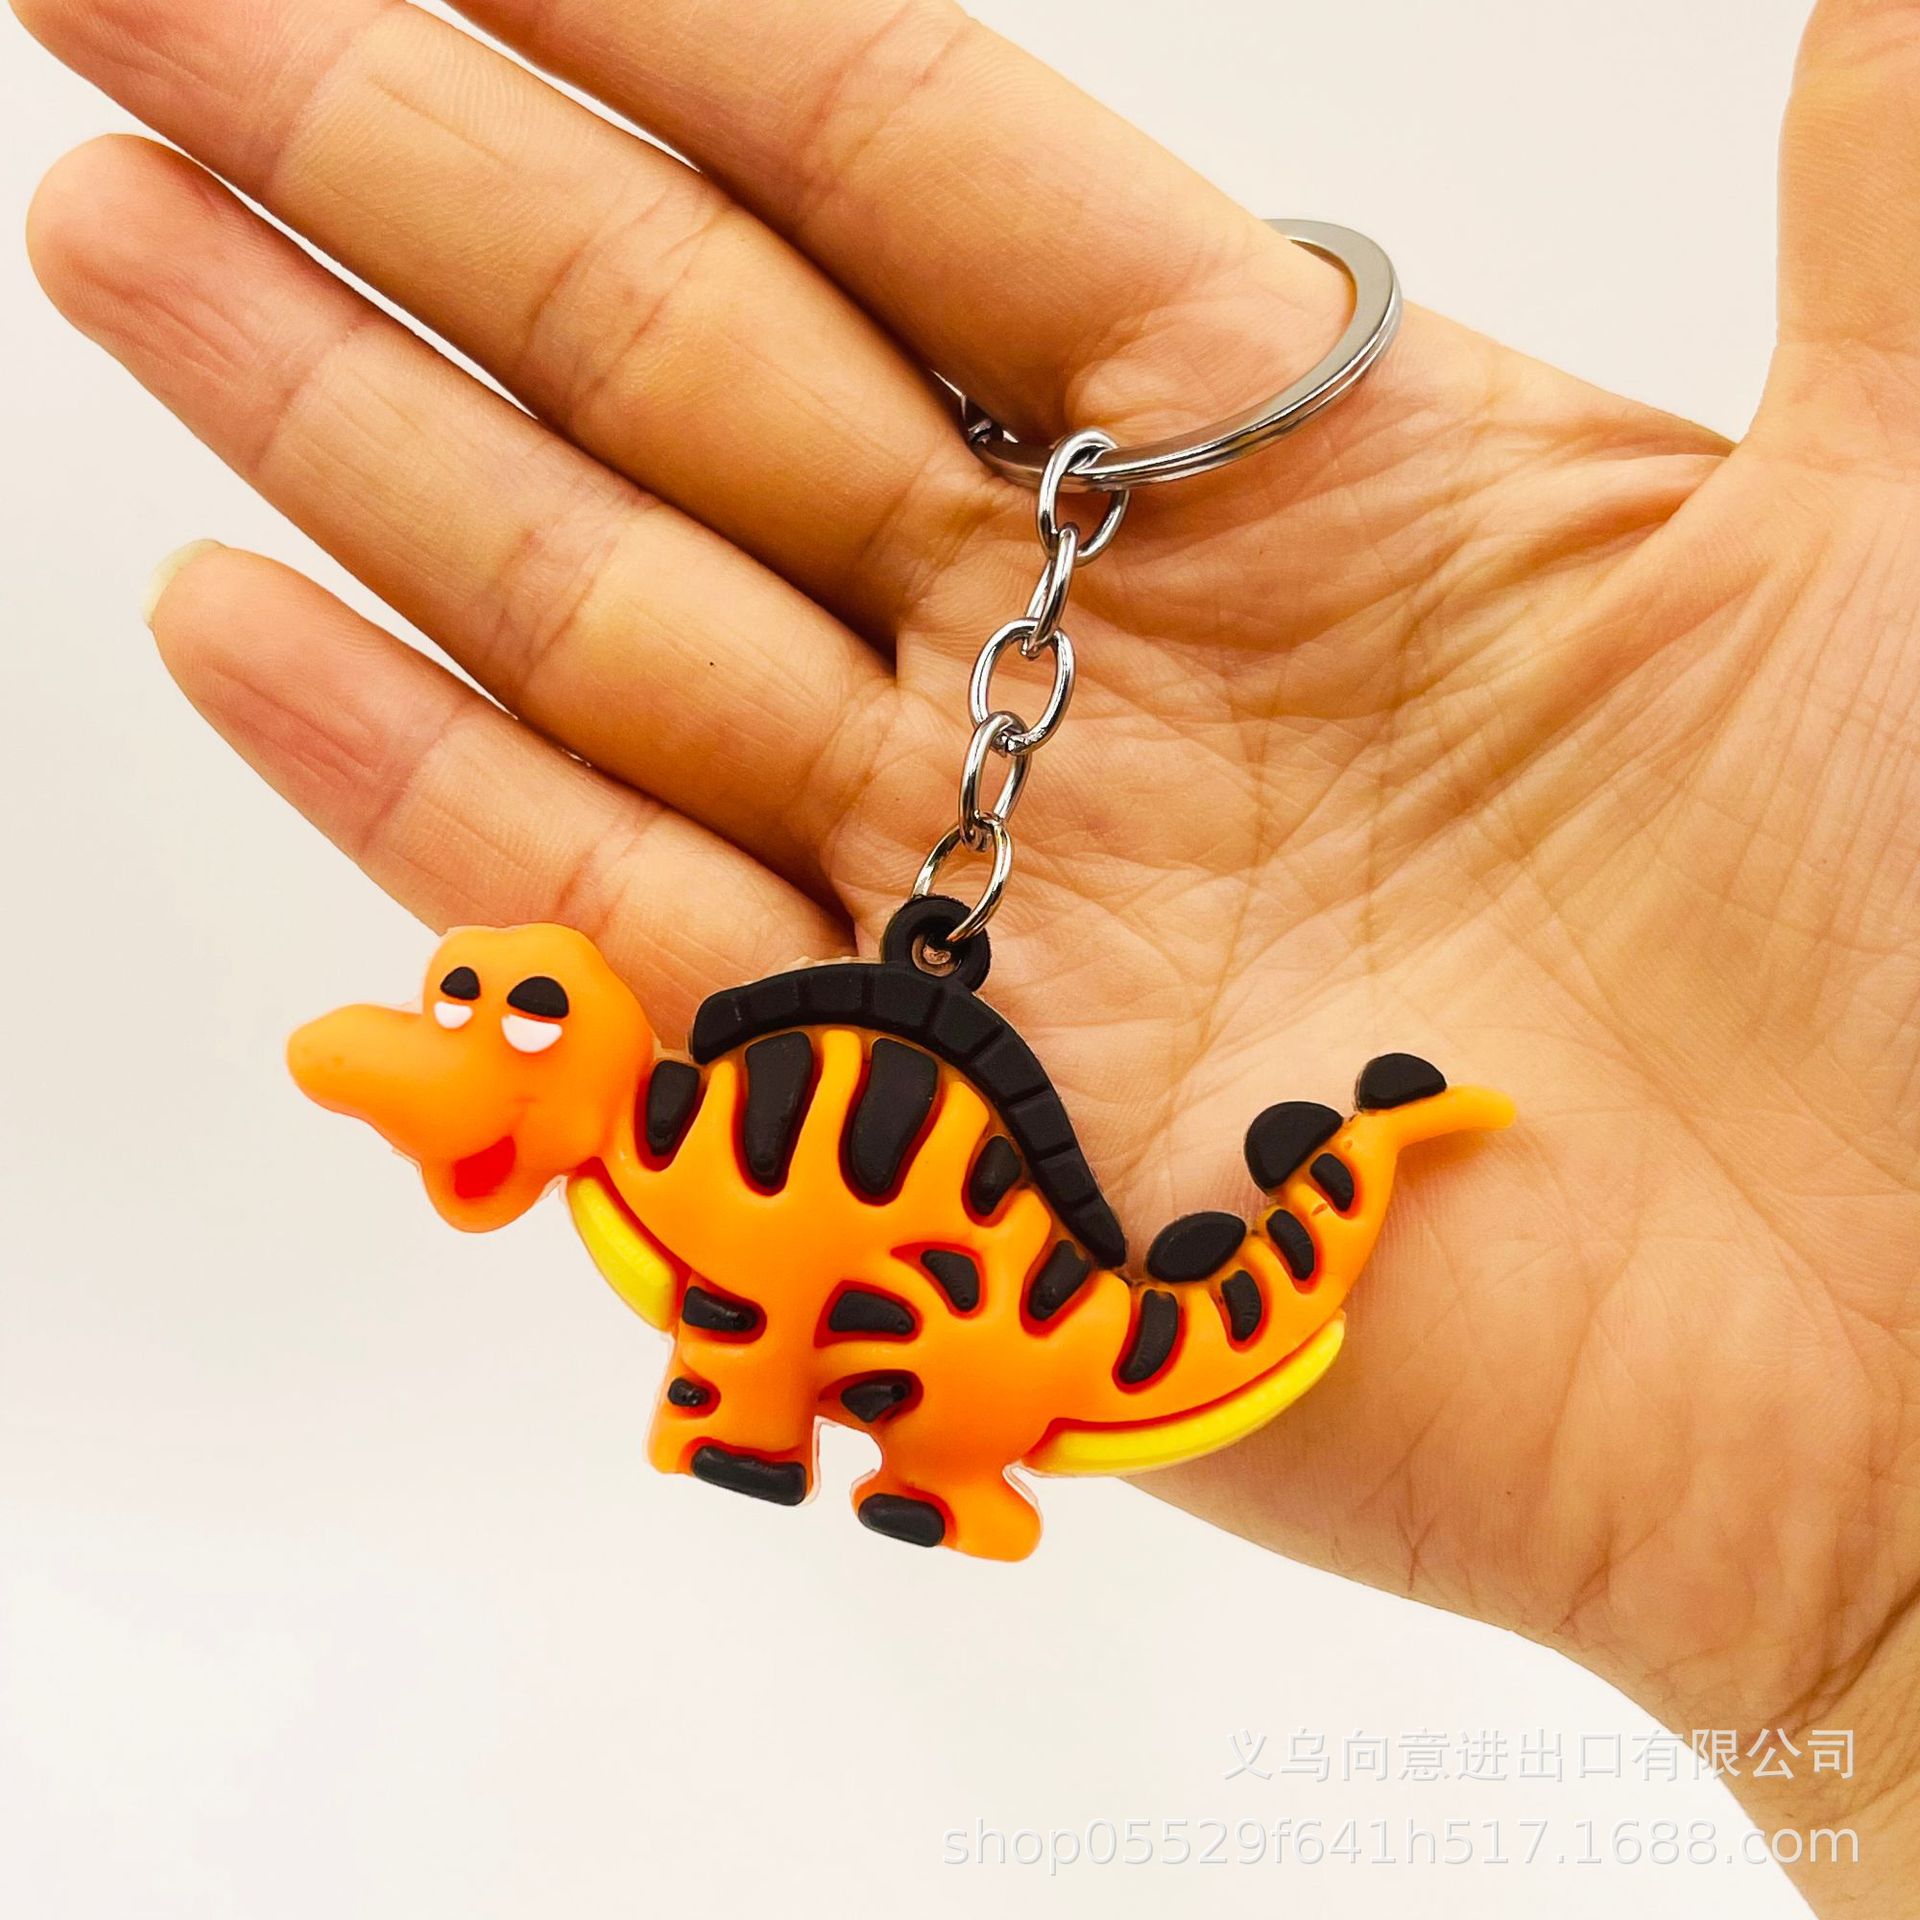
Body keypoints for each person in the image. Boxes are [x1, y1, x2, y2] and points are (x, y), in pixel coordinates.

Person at [13, 0, 1919, 1907]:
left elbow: (797, 1273)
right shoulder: (698, 1159)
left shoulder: (709, 1172)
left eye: (484, 1022)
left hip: (991, 1307)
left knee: (853, 1351)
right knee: (786, 1331)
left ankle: (929, 1459)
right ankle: (875, 1445)